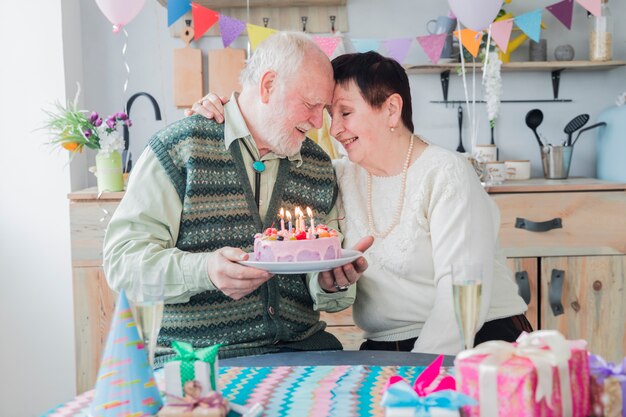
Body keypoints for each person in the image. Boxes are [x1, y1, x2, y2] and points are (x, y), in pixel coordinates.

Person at [191, 51, 531, 355]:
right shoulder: (337, 174)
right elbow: (263, 143)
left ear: (391, 109)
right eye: (329, 113)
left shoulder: (446, 174)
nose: (334, 128)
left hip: (479, 342)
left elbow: (462, 298)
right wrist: (224, 113)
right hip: (385, 349)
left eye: (346, 113)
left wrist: (415, 380)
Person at [103, 32, 372, 365]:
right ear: (268, 85)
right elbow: (121, 263)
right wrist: (204, 270)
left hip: (306, 353)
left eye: (324, 109)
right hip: (200, 361)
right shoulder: (181, 148)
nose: (319, 123)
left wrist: (329, 283)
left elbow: (321, 286)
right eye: (311, 104)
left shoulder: (317, 165)